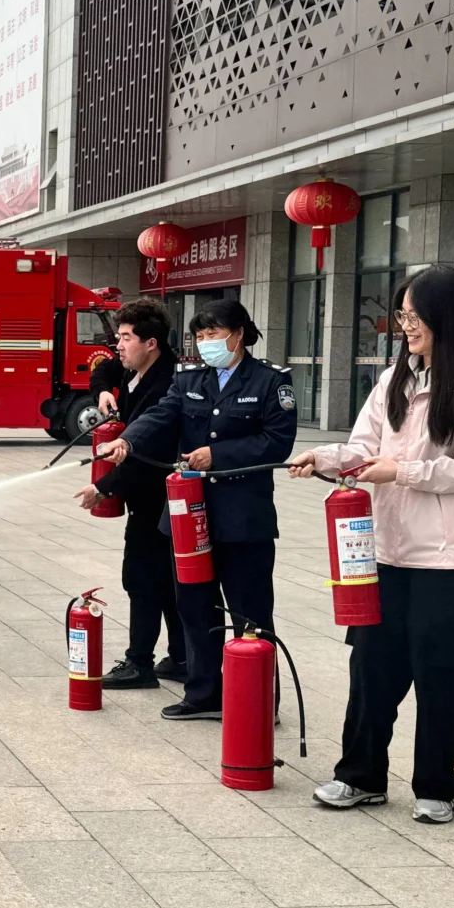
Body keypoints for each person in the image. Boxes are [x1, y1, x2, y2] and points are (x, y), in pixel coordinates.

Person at [290, 267, 454, 824]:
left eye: (412, 316)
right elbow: (366, 444)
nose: (404, 326)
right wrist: (328, 458)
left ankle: (437, 785)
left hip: (448, 557)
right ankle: (359, 776)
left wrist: (401, 471)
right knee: (372, 666)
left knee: (442, 671)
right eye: (402, 316)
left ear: (444, 316)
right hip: (385, 549)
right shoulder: (395, 378)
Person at [97, 299, 296, 720]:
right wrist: (128, 441)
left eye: (213, 335)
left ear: (239, 334)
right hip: (191, 517)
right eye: (201, 336)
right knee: (194, 604)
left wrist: (217, 455)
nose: (206, 344)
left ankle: (259, 699)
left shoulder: (269, 382)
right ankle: (203, 693)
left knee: (249, 611)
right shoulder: (190, 379)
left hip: (244, 518)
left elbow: (276, 442)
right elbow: (161, 415)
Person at [74, 299, 185, 689]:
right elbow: (103, 368)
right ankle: (182, 657)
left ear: (150, 342)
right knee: (167, 580)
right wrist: (104, 391)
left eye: (125, 338)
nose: (117, 346)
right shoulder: (136, 371)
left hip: (159, 497)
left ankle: (140, 662)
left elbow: (146, 451)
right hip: (147, 498)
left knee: (142, 579)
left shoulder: (165, 384)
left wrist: (102, 487)